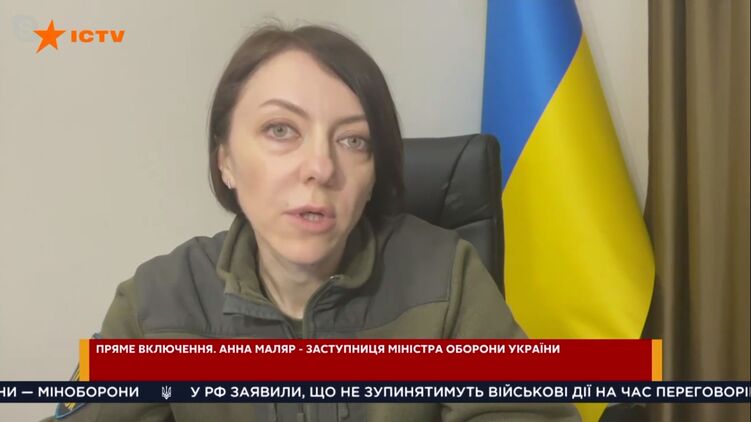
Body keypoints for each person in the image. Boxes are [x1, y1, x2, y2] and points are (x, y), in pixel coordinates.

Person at [44, 25, 580, 422]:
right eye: (281, 130)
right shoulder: (156, 302)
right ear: (225, 160)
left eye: (353, 140)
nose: (321, 167)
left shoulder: (446, 277)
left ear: (374, 173)